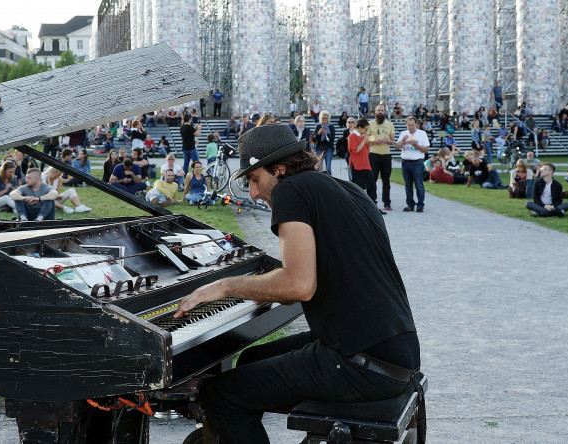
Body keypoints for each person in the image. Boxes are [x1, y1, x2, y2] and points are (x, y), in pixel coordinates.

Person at [176, 124, 420, 443]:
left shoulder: (289, 191)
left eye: (254, 179)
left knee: (223, 397)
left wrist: (224, 287)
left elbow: (298, 285)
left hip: (360, 363)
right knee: (251, 360)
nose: (252, 192)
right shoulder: (348, 190)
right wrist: (261, 288)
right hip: (395, 350)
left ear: (279, 169)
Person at [397, 116, 431, 212]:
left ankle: (420, 205)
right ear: (406, 125)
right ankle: (410, 205)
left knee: (419, 184)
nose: (411, 127)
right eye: (409, 125)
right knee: (408, 185)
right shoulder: (403, 133)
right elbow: (396, 147)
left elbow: (426, 149)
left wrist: (416, 145)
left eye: (412, 125)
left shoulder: (422, 134)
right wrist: (403, 140)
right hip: (405, 162)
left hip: (417, 162)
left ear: (416, 124)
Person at [368, 103, 396, 211]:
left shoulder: (389, 124)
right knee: (372, 179)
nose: (380, 112)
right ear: (375, 112)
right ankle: (372, 202)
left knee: (386, 180)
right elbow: (367, 139)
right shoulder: (370, 124)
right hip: (374, 154)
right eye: (378, 110)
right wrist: (377, 141)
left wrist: (387, 141)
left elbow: (392, 141)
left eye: (382, 110)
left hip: (386, 155)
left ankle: (387, 202)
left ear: (385, 112)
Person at [347, 118, 374, 195]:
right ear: (359, 128)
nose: (366, 131)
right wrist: (364, 140)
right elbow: (356, 150)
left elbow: (367, 152)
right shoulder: (352, 136)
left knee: (371, 186)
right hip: (356, 165)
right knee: (358, 188)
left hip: (366, 165)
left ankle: (372, 204)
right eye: (366, 129)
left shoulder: (363, 137)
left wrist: (369, 144)